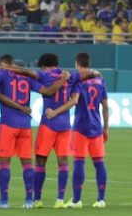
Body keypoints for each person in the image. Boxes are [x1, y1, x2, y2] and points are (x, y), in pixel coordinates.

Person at [0, 55, 67, 209]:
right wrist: (62, 80)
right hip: (25, 124)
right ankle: (29, 200)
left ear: (3, 64)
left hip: (8, 124)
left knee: (4, 162)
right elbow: (48, 92)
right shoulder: (26, 77)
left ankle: (4, 201)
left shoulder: (3, 73)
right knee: (27, 163)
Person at [5, 53, 83, 208]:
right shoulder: (70, 76)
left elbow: (25, 72)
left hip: (48, 124)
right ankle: (60, 200)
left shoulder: (44, 74)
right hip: (65, 125)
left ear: (44, 65)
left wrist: (6, 67)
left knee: (40, 161)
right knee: (63, 162)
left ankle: (37, 199)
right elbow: (74, 101)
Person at [68, 53, 109, 208]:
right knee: (99, 163)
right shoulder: (100, 80)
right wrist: (106, 127)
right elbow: (105, 106)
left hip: (81, 127)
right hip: (97, 127)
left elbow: (74, 100)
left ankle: (77, 200)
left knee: (79, 162)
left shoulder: (78, 80)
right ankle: (101, 200)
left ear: (77, 64)